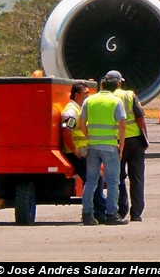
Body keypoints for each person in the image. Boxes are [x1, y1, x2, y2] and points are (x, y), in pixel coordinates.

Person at [79, 73, 129, 225]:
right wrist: (121, 145)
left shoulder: (89, 100)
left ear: (101, 85)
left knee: (91, 181)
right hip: (109, 146)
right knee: (113, 182)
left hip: (93, 146)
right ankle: (111, 214)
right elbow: (122, 124)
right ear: (115, 87)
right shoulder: (116, 101)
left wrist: (90, 136)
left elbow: (82, 123)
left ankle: (87, 214)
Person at [61, 82, 107, 222]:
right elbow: (66, 131)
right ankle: (97, 212)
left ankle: (97, 212)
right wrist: (75, 150)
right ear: (77, 95)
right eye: (85, 93)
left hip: (84, 151)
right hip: (77, 153)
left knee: (96, 179)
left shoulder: (79, 109)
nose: (88, 96)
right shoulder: (72, 111)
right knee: (95, 178)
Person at [108, 70, 149, 223]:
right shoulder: (129, 95)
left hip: (115, 141)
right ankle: (136, 213)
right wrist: (145, 138)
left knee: (117, 178)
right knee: (137, 178)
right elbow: (140, 118)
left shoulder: (104, 98)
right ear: (119, 82)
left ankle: (120, 209)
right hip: (135, 141)